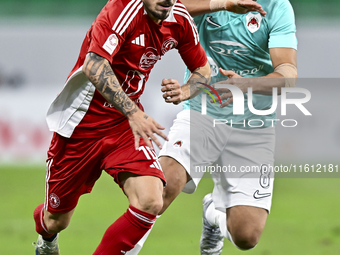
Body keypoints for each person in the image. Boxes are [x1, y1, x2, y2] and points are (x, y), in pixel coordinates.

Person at [32, 0, 213, 254]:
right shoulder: (121, 9)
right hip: (81, 124)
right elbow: (94, 65)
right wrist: (133, 112)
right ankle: (47, 239)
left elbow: (203, 70)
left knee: (151, 200)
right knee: (56, 220)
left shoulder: (179, 19)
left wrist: (184, 91)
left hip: (123, 125)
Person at [126, 0, 298, 254]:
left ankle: (213, 217)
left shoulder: (276, 6)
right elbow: (167, 8)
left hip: (254, 125)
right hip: (202, 114)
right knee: (158, 193)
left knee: (246, 236)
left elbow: (288, 74)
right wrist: (223, 5)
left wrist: (247, 84)